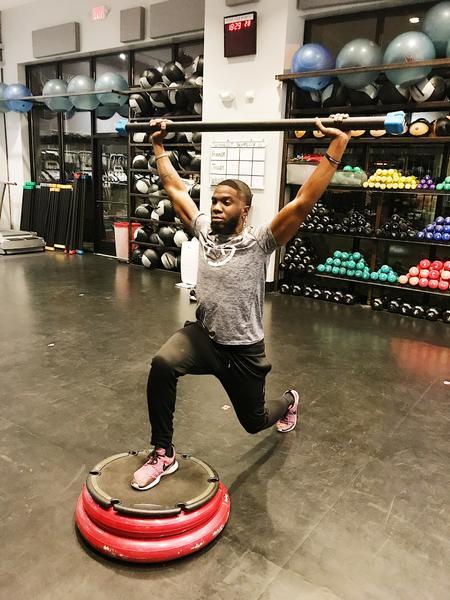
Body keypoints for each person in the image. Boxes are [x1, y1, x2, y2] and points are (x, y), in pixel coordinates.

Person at [132, 115, 351, 490]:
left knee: (255, 420)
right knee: (163, 363)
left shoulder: (260, 241)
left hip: (243, 350)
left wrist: (337, 145)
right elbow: (175, 189)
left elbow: (303, 202)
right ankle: (163, 452)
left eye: (227, 202)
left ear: (244, 210)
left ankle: (290, 400)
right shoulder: (203, 229)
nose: (217, 207)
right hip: (204, 337)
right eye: (214, 201)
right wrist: (157, 144)